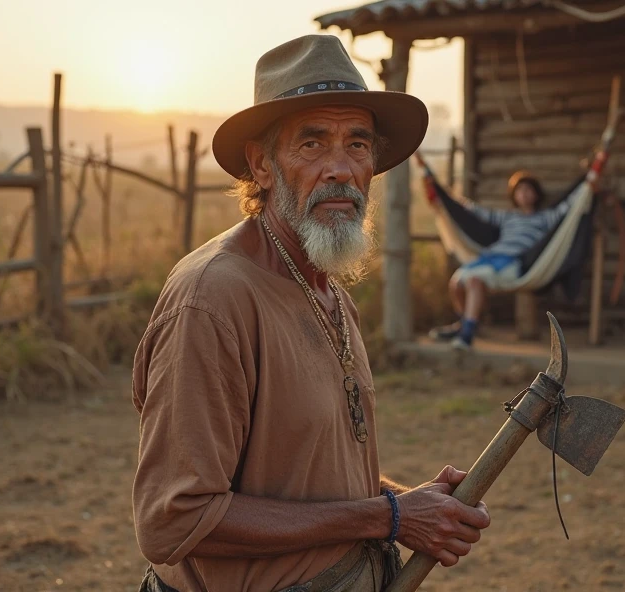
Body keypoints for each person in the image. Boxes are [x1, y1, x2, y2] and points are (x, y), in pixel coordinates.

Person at [131, 34, 491, 592]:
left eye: (357, 144)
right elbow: (175, 519)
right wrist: (389, 518)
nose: (341, 169)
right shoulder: (212, 302)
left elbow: (302, 475)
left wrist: (404, 500)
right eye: (313, 144)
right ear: (262, 165)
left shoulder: (326, 288)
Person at [428, 171, 572, 350]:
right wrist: (448, 197)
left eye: (528, 189)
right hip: (489, 258)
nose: (524, 194)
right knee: (456, 284)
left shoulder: (544, 218)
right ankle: (464, 323)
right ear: (514, 196)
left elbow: (571, 207)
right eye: (520, 190)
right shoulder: (508, 217)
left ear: (536, 194)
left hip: (511, 263)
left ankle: (466, 336)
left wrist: (589, 184)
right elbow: (475, 211)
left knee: (474, 282)